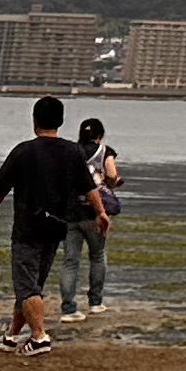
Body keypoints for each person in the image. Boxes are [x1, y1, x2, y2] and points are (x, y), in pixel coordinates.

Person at [0, 96, 94, 353]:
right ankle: (10, 336)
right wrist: (101, 212)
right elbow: (88, 187)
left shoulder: (24, 151)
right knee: (32, 285)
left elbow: (1, 187)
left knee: (27, 286)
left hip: (27, 228)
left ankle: (40, 337)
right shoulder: (73, 151)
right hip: (55, 228)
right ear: (61, 121)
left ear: (35, 121)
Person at [55, 115, 122, 317]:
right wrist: (111, 181)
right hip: (95, 213)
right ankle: (95, 302)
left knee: (70, 261)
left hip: (70, 214)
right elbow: (111, 175)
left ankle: (68, 308)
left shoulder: (69, 151)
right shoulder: (105, 152)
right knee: (97, 256)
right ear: (100, 136)